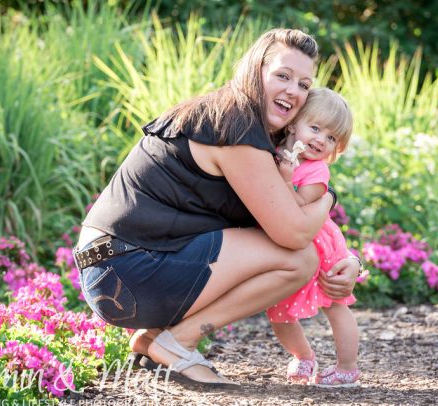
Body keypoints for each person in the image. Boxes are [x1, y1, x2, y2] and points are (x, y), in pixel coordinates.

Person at [74, 28, 360, 388]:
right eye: (283, 76)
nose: (293, 91)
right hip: (125, 271)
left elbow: (291, 217)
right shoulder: (236, 128)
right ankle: (178, 342)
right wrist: (329, 196)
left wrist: (352, 260)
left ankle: (154, 337)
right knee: (299, 259)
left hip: (115, 271)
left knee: (290, 249)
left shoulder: (244, 124)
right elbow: (296, 232)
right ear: (255, 71)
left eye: (304, 84)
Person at [269, 87, 363, 388]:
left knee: (336, 303)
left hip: (319, 240)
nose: (321, 139)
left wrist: (285, 179)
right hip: (286, 243)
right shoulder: (275, 149)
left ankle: (347, 367)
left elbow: (300, 204)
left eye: (332, 137)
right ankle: (303, 356)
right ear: (294, 123)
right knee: (279, 310)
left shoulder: (316, 171)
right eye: (315, 127)